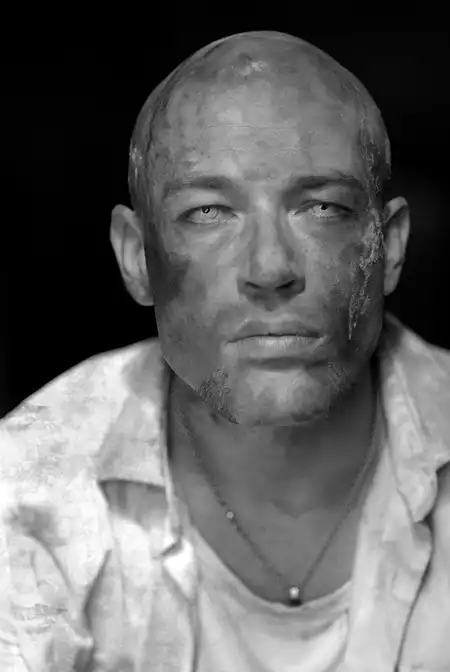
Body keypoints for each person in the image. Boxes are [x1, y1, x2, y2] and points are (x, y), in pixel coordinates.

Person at [1, 30, 449, 672]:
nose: (270, 269)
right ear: (137, 258)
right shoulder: (27, 489)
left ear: (391, 246)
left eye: (322, 207)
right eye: (209, 212)